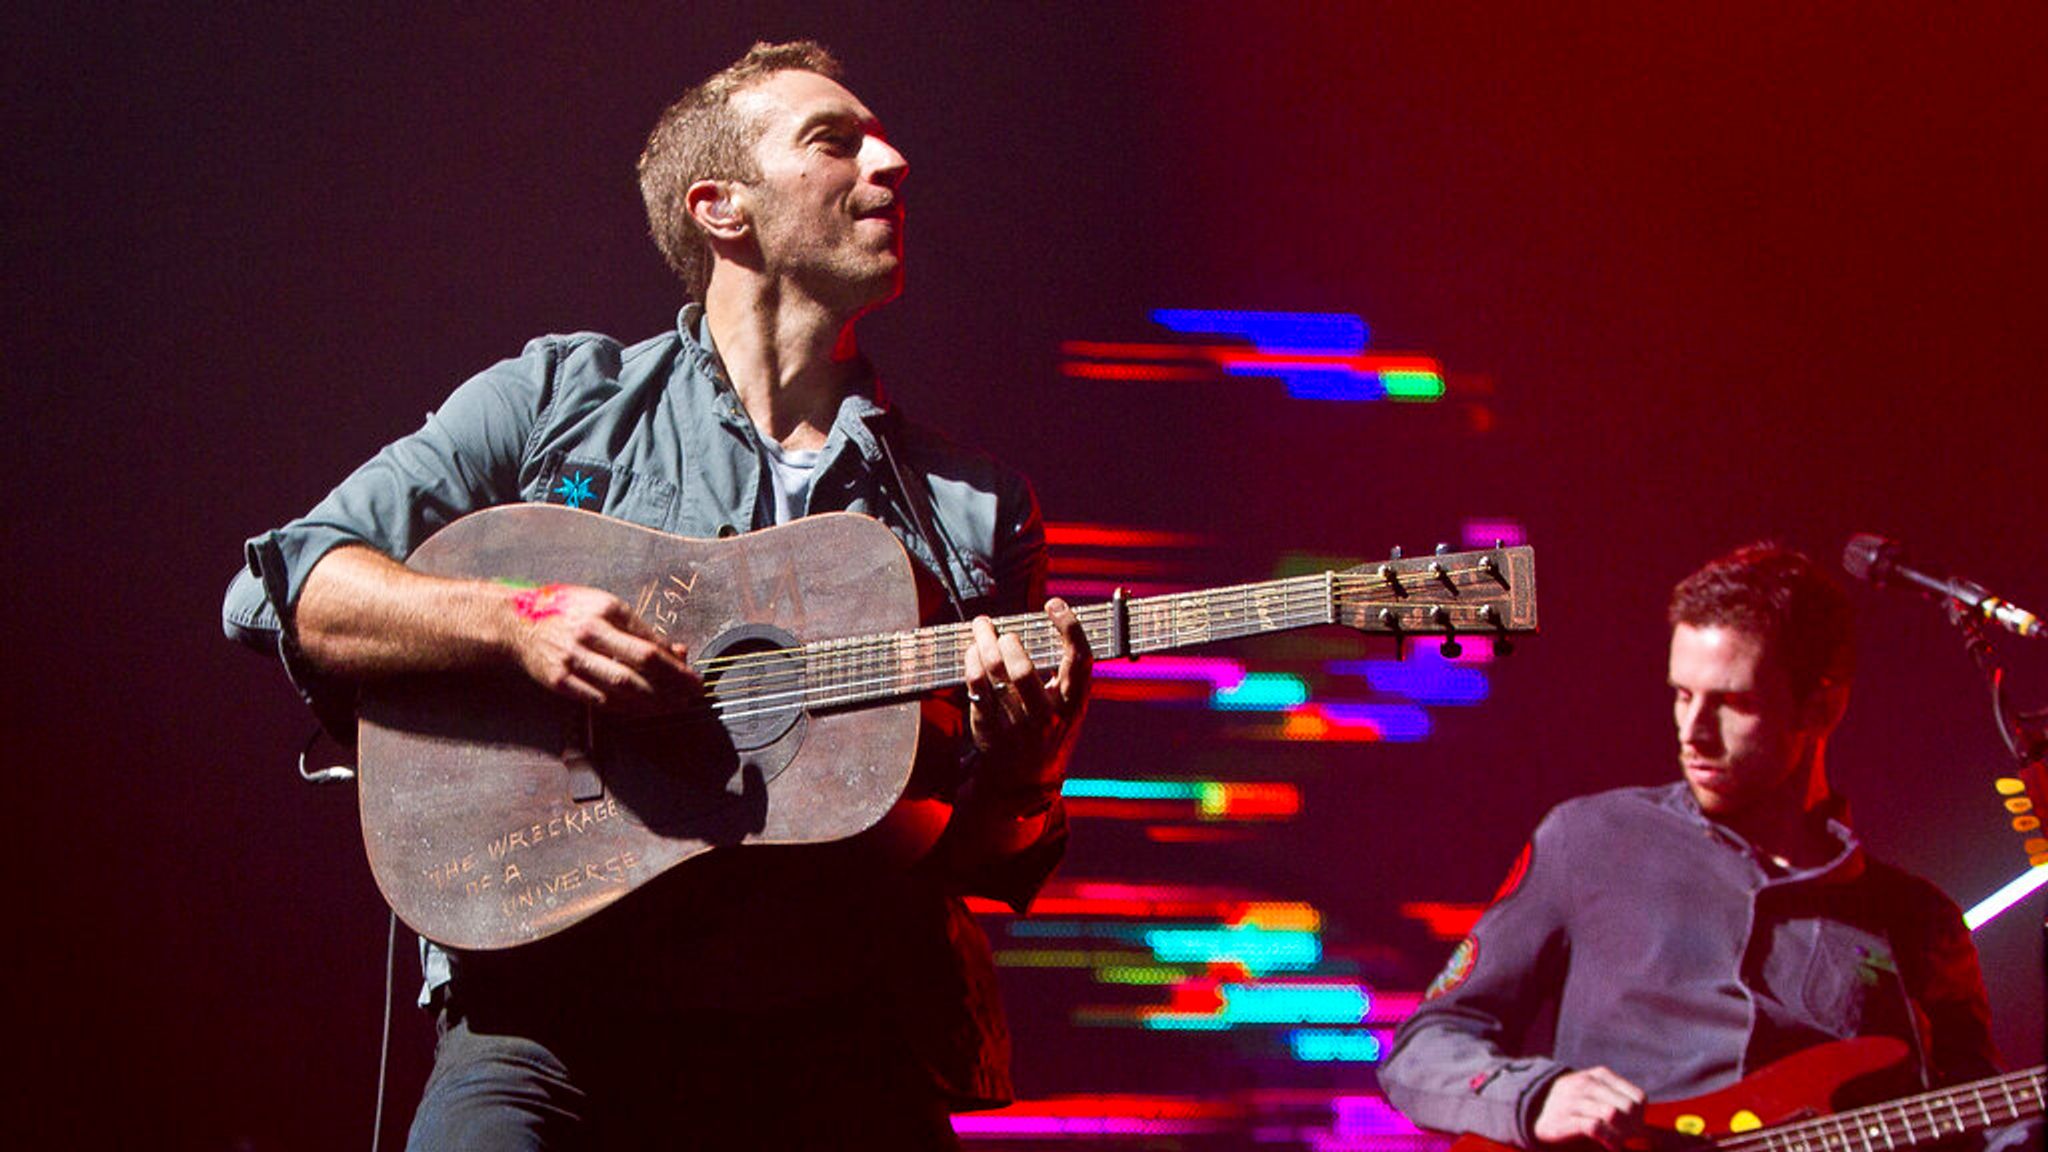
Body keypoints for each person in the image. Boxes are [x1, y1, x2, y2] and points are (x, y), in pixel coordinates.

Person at [222, 40, 1091, 1151]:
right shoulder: (555, 402)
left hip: (835, 1037)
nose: (894, 160)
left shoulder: (973, 509)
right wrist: (516, 623)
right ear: (720, 207)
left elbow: (982, 854)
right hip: (551, 1019)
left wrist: (1027, 768)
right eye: (837, 140)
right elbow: (287, 588)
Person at [1377, 543, 2023, 1150]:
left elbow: (1987, 1128)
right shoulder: (1591, 841)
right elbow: (1424, 1045)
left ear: (1821, 709)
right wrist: (1534, 1097)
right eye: (1682, 696)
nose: (1694, 733)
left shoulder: (1919, 923)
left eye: (1733, 704)